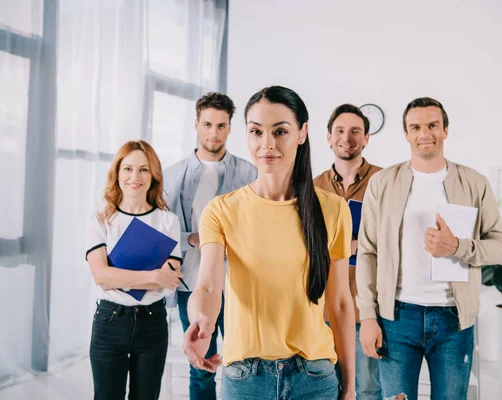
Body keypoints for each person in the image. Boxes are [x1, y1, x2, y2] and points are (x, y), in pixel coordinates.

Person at [183, 86, 356, 399]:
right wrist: (201, 321)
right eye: (256, 131)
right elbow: (208, 286)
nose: (267, 144)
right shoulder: (222, 210)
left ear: (302, 133)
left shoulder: (333, 209)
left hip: (314, 377)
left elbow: (341, 302)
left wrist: (351, 385)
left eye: (280, 131)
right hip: (246, 379)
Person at [356, 97, 502, 400]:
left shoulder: (474, 182)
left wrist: (458, 247)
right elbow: (368, 251)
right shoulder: (382, 183)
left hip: (454, 320)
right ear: (406, 134)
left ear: (445, 130)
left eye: (432, 125)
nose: (424, 133)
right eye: (415, 127)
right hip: (396, 319)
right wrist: (368, 316)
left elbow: (500, 247)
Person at [163, 92, 256, 400]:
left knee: (244, 362)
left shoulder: (250, 173)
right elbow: (160, 234)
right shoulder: (173, 176)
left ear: (230, 128)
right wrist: (192, 238)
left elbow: (261, 228)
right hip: (192, 282)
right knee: (201, 365)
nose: (213, 133)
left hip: (238, 285)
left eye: (221, 125)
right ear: (196, 125)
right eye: (207, 125)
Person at [85, 140, 183, 400]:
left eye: (143, 169)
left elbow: (170, 278)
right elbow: (102, 277)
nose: (135, 177)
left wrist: (122, 276)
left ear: (154, 176)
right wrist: (152, 276)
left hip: (152, 323)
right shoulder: (101, 220)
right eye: (127, 169)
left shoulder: (168, 221)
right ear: (117, 174)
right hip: (110, 322)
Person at [314, 103, 383, 399]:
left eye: (356, 131)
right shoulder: (312, 186)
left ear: (366, 138)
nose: (347, 137)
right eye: (340, 131)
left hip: (367, 308)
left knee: (367, 389)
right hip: (322, 310)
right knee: (326, 389)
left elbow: (399, 239)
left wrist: (358, 244)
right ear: (328, 137)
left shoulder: (384, 181)